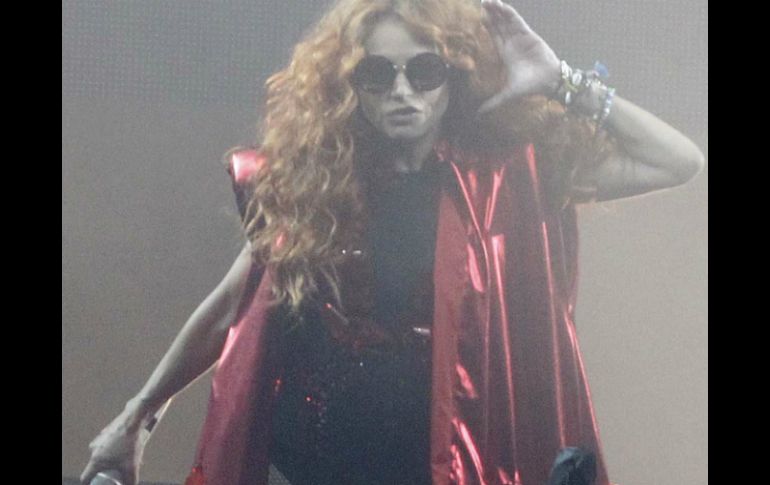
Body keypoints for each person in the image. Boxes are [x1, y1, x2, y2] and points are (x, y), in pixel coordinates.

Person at [80, 1, 705, 484]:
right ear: (350, 85)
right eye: (378, 74)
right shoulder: (318, 186)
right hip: (326, 456)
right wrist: (137, 417)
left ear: (453, 77)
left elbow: (677, 161)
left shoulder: (503, 182)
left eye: (424, 71)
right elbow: (230, 309)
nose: (403, 91)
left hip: (448, 454)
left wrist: (559, 80)